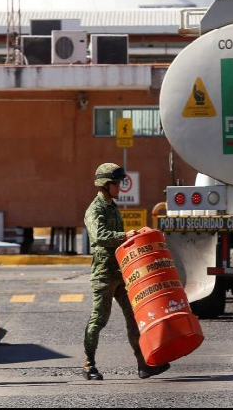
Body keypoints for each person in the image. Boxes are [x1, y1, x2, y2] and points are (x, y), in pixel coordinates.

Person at [83, 162, 170, 381]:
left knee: (134, 317)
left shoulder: (112, 206)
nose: (120, 187)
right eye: (117, 183)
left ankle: (144, 364)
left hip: (121, 272)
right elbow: (99, 236)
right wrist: (125, 235)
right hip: (103, 273)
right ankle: (88, 364)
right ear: (105, 185)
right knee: (99, 319)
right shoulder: (96, 209)